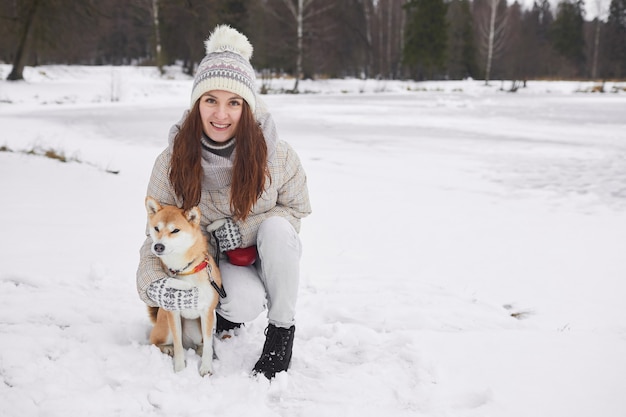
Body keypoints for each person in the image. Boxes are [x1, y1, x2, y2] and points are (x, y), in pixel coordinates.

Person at [136, 24, 311, 380]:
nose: (221, 114)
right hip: (211, 267)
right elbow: (154, 235)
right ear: (197, 103)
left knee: (278, 228)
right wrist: (154, 287)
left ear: (247, 106)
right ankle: (218, 314)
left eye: (234, 102)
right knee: (242, 301)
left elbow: (296, 209)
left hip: (262, 256)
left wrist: (244, 229)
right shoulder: (171, 161)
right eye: (210, 100)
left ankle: (281, 332)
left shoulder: (278, 156)